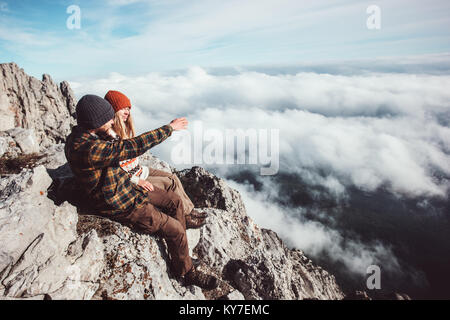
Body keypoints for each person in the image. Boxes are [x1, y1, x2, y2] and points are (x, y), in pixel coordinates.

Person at [64, 94, 218, 290]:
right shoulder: (89, 149)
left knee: (175, 201)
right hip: (122, 205)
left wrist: (110, 135)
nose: (113, 121)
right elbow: (133, 146)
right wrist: (169, 128)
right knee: (176, 229)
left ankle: (182, 257)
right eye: (108, 119)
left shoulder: (85, 135)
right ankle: (186, 273)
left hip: (126, 188)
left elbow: (113, 149)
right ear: (95, 123)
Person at [103, 90, 207, 229]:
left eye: (128, 108)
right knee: (167, 182)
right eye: (123, 108)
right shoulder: (109, 136)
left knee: (173, 178)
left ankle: (190, 211)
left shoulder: (122, 130)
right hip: (132, 179)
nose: (127, 111)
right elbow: (112, 173)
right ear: (112, 109)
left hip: (138, 170)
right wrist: (136, 180)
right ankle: (186, 217)